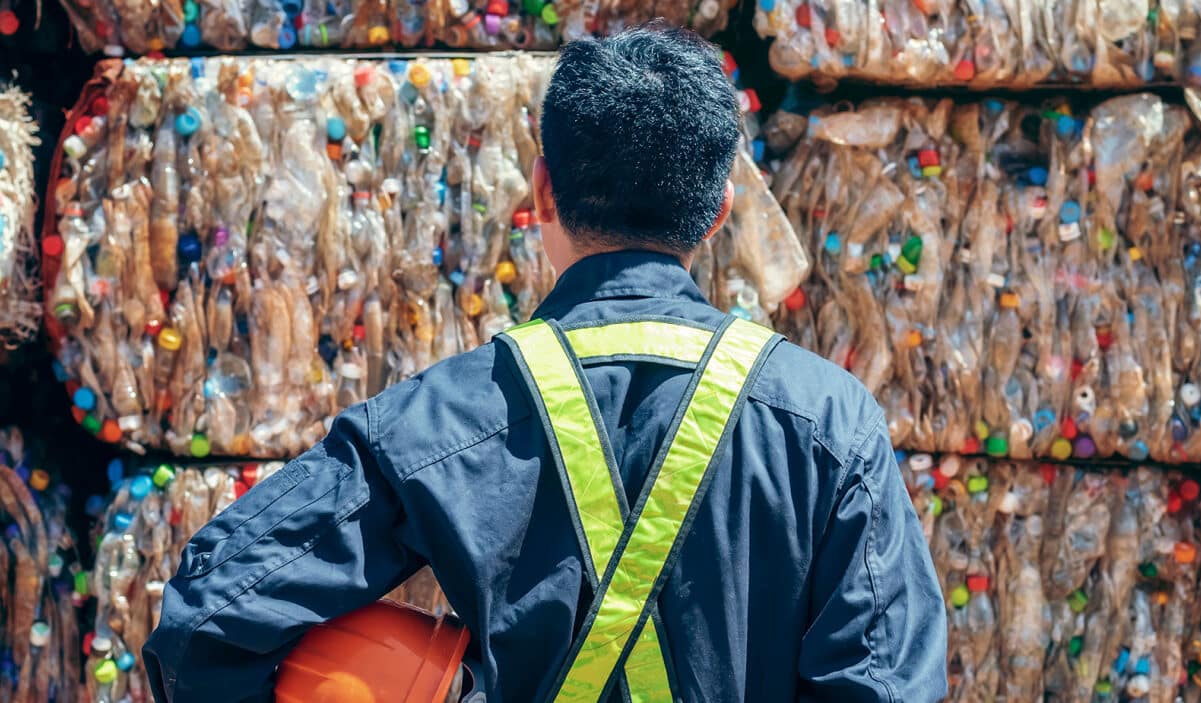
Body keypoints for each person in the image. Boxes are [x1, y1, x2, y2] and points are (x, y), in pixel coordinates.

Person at [143, 24, 947, 703]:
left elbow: (203, 621)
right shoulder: (830, 422)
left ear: (542, 192)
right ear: (720, 211)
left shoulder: (440, 419)